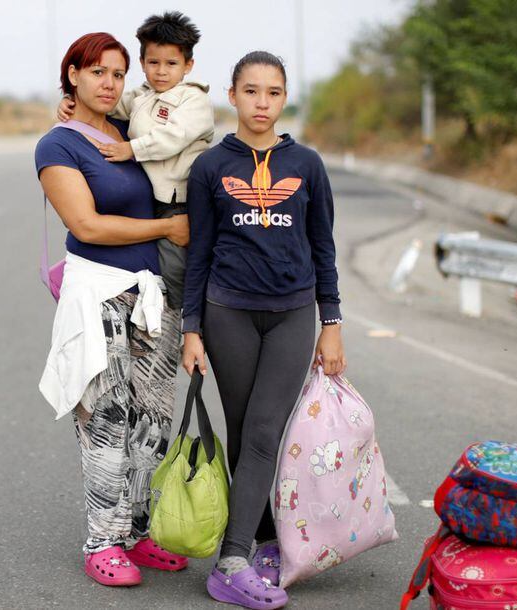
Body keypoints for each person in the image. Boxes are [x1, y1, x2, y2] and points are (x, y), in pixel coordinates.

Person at [181, 51, 346, 610]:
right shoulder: (208, 167)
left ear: (284, 98)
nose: (261, 103)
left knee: (263, 432)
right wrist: (191, 328)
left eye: (272, 92)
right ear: (232, 95)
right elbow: (198, 252)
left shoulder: (307, 165)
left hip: (292, 315)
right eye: (251, 91)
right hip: (227, 311)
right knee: (244, 431)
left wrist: (332, 324)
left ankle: (231, 560)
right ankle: (266, 541)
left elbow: (322, 247)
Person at [35, 32, 191, 588]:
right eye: (97, 71)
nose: (110, 83)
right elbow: (87, 225)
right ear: (72, 75)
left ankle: (137, 531)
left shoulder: (131, 134)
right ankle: (102, 539)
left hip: (152, 295)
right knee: (104, 418)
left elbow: (185, 136)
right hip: (97, 291)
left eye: (119, 74)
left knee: (152, 418)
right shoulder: (58, 146)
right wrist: (168, 227)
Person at [58, 11, 215, 312]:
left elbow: (174, 136)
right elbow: (109, 102)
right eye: (153, 63)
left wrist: (132, 149)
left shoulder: (192, 100)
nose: (161, 71)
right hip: (156, 205)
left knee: (176, 270)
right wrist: (70, 101)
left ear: (188, 66)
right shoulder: (141, 96)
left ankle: (191, 323)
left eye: (171, 64)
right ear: (143, 64)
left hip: (180, 201)